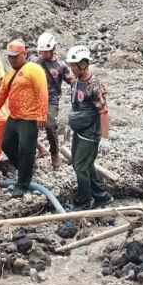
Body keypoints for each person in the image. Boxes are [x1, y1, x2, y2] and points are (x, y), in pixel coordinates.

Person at [0, 40, 48, 197]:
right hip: (14, 116)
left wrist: (42, 114)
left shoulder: (34, 69)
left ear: (24, 54)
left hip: (29, 118)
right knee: (7, 144)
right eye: (10, 57)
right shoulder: (9, 73)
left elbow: (42, 91)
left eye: (15, 56)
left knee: (26, 149)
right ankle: (25, 168)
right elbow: (1, 95)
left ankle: (23, 183)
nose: (12, 60)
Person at [66, 45, 113, 210]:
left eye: (73, 65)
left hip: (90, 132)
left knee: (79, 166)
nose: (71, 68)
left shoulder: (95, 85)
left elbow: (103, 112)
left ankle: (84, 201)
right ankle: (101, 196)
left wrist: (104, 138)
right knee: (86, 164)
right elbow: (75, 105)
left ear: (83, 64)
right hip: (79, 130)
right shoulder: (76, 82)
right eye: (70, 65)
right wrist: (69, 125)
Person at [32, 32, 74, 169]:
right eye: (41, 52)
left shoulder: (60, 66)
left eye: (46, 52)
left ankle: (54, 153)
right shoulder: (34, 63)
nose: (43, 54)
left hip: (52, 100)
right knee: (29, 127)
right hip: (35, 99)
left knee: (50, 126)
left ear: (53, 50)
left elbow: (72, 81)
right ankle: (37, 150)